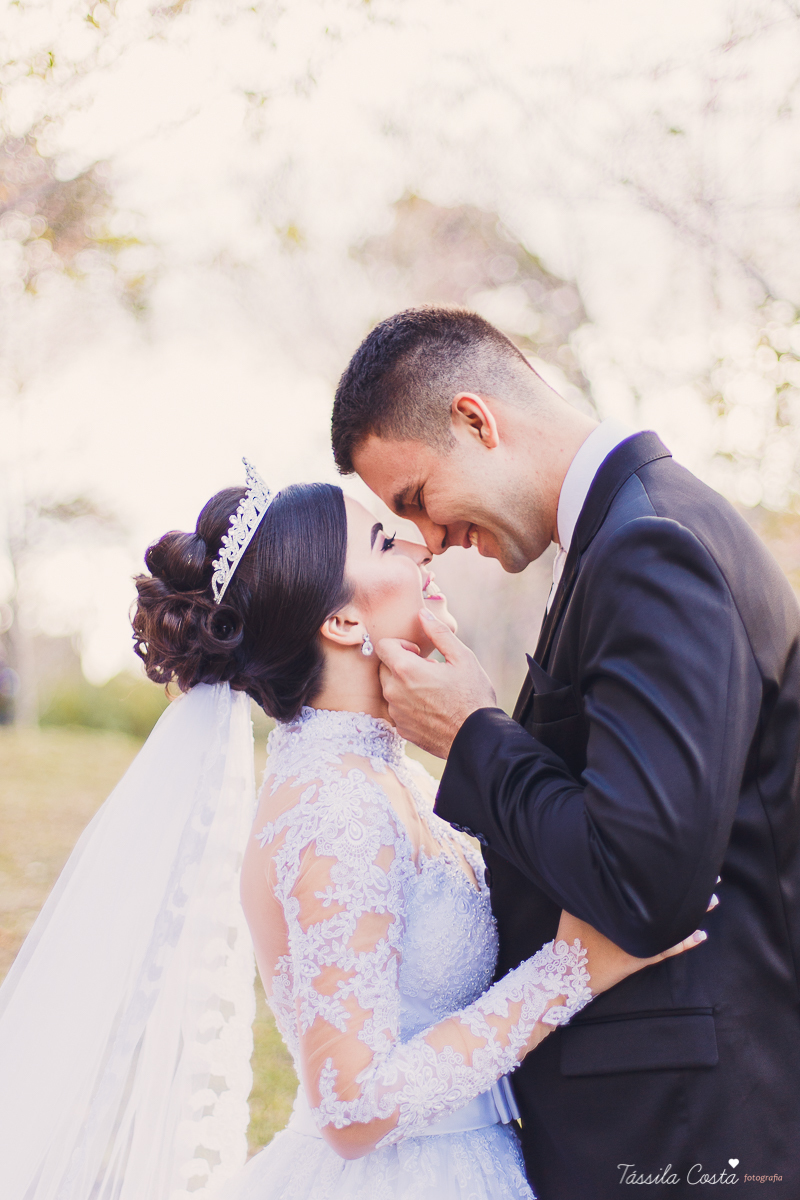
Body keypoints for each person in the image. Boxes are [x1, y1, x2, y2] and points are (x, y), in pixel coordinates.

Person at [0, 460, 705, 1200]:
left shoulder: (384, 773)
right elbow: (352, 1105)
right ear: (341, 621)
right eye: (383, 543)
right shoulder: (335, 806)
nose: (420, 548)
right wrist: (568, 973)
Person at [331, 305, 800, 1199]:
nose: (425, 540)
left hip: (684, 1137)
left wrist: (471, 732)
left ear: (477, 420)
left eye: (416, 499)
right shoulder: (625, 538)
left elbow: (644, 884)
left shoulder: (650, 547)